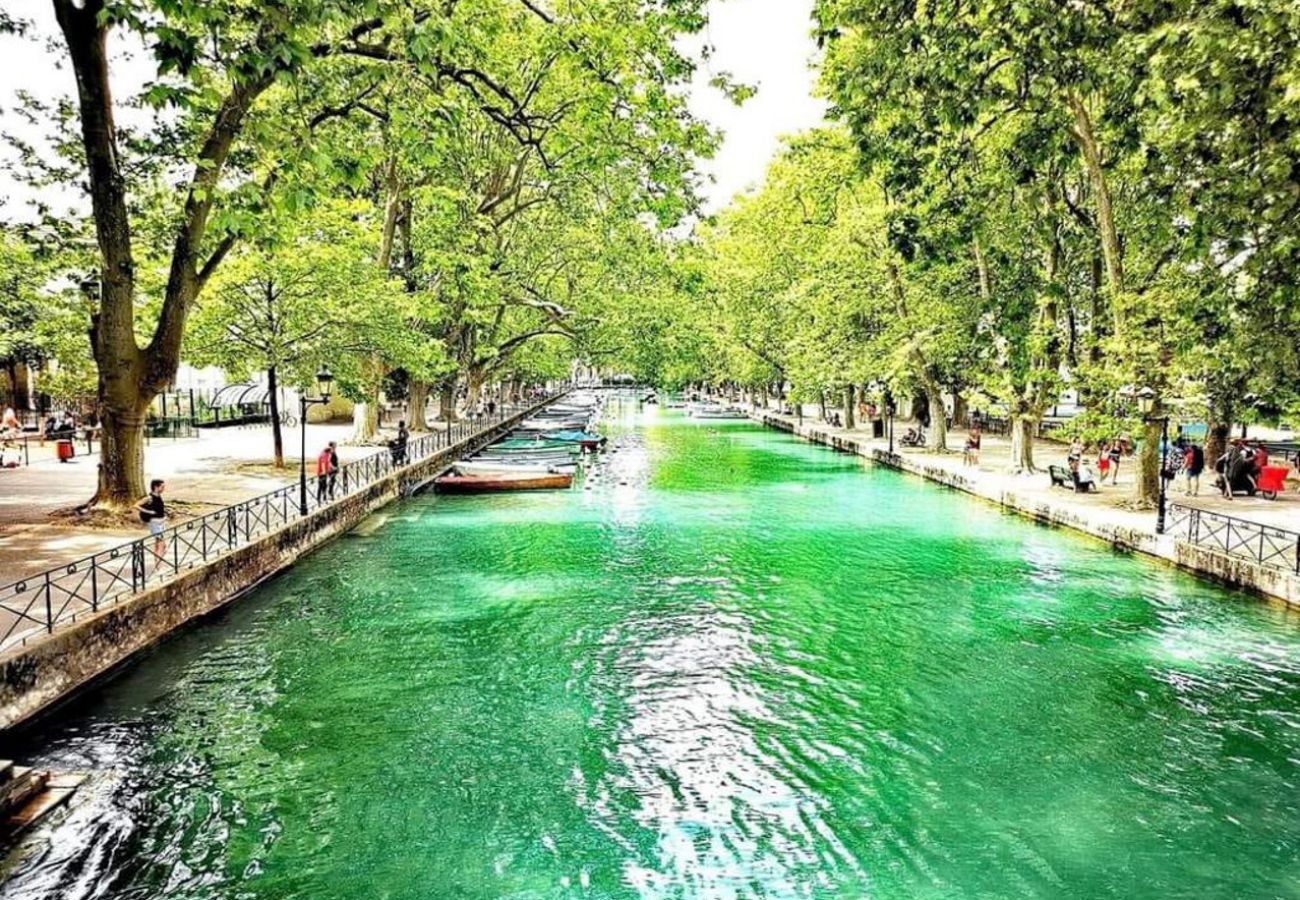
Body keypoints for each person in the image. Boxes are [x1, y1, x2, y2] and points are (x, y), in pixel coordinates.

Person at [135, 479, 167, 568]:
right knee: (161, 545)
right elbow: (136, 505)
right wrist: (148, 512)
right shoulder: (149, 497)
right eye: (162, 487)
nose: (163, 489)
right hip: (155, 523)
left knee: (160, 544)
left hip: (161, 522)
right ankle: (159, 566)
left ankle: (158, 564)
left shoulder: (159, 496)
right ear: (156, 487)